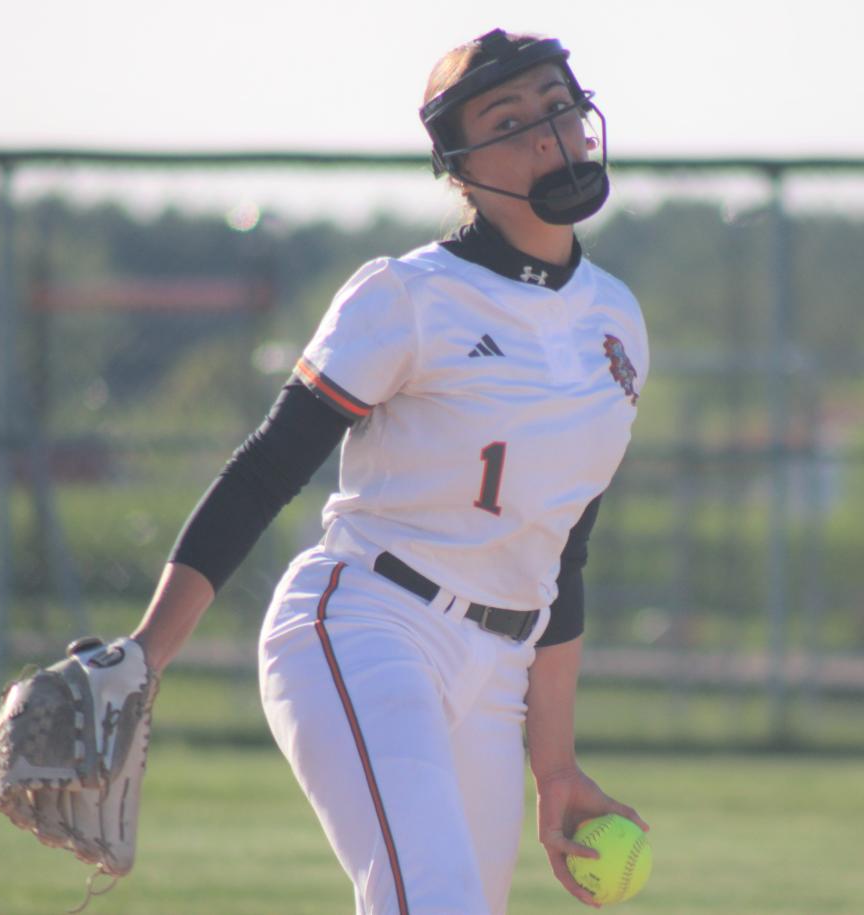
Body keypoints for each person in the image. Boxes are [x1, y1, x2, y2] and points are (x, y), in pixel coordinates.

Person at [131, 28, 650, 914]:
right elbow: (267, 469)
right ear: (458, 165)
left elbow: (563, 556)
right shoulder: (410, 295)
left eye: (558, 105)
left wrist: (554, 765)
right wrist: (147, 657)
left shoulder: (618, 320)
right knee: (431, 898)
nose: (545, 132)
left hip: (499, 668)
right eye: (509, 117)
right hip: (369, 623)